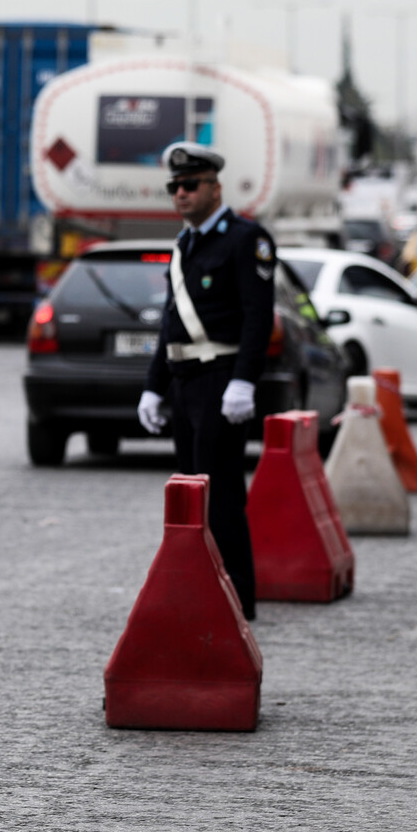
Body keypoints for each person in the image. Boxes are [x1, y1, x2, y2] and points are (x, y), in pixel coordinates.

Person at [136, 143, 276, 621]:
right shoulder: (185, 245)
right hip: (184, 383)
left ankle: (239, 596)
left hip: (220, 379)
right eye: (174, 186)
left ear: (215, 188)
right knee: (191, 490)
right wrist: (154, 385)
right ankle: (201, 587)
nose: (180, 193)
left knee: (222, 495)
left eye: (190, 185)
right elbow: (171, 324)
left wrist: (243, 382)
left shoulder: (246, 239)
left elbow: (258, 318)